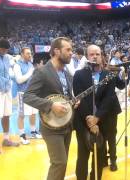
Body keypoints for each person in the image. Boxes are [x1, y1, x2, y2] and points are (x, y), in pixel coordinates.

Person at [23, 37, 79, 180]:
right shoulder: (42, 72)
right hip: (51, 126)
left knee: (63, 163)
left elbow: (64, 97)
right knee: (59, 162)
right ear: (56, 51)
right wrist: (51, 105)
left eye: (71, 50)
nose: (71, 53)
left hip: (66, 124)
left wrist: (73, 103)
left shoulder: (67, 74)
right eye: (68, 49)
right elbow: (28, 96)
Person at [73, 45, 123, 179]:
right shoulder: (78, 75)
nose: (95, 56)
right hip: (84, 122)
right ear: (87, 57)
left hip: (102, 122)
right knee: (82, 156)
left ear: (101, 56)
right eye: (91, 54)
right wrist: (90, 120)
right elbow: (79, 98)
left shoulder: (109, 76)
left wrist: (97, 118)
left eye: (97, 54)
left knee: (100, 158)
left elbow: (109, 99)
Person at [13, 47, 42, 145]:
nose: (30, 55)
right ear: (22, 54)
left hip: (32, 93)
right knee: (21, 115)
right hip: (22, 93)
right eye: (28, 53)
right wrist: (30, 72)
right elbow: (19, 80)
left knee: (33, 113)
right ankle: (22, 134)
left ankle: (33, 131)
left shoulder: (30, 64)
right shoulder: (17, 65)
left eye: (30, 53)